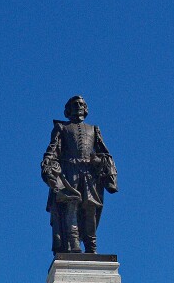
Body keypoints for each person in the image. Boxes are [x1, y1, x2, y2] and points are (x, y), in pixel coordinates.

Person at [40, 95, 117, 254]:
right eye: (74, 104)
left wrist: (99, 161)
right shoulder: (62, 128)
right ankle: (73, 244)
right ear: (68, 110)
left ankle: (91, 246)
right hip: (69, 171)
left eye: (81, 104)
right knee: (71, 207)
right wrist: (48, 166)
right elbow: (52, 150)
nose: (78, 106)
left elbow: (105, 153)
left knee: (90, 209)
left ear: (86, 108)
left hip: (89, 174)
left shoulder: (94, 129)